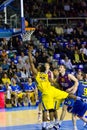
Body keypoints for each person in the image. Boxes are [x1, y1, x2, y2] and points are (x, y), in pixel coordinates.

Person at [28, 45, 80, 130]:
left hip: (46, 93)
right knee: (66, 95)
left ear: (38, 69)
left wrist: (29, 52)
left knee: (45, 110)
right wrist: (59, 86)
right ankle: (79, 98)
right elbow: (54, 83)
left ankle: (44, 126)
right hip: (53, 90)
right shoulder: (45, 75)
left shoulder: (36, 74)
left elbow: (31, 63)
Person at [57, 64, 79, 130]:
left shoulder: (68, 75)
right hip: (66, 94)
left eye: (61, 67)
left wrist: (72, 88)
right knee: (65, 109)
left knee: (72, 111)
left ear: (64, 69)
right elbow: (59, 85)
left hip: (72, 93)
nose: (59, 68)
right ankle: (59, 124)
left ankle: (74, 126)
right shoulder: (59, 77)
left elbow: (76, 81)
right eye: (59, 67)